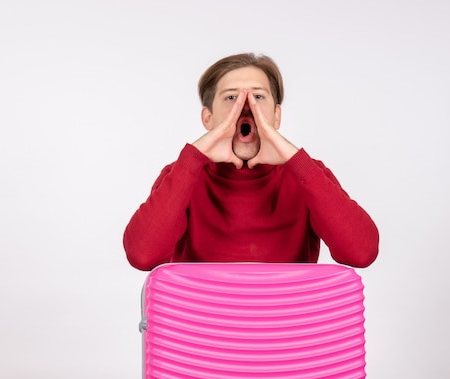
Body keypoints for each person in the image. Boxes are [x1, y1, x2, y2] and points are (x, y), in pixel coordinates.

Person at [123, 53, 379, 271]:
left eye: (258, 97)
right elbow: (143, 256)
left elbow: (361, 253)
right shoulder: (183, 175)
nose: (246, 107)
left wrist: (296, 162)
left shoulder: (307, 174)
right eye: (231, 98)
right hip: (199, 327)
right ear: (208, 119)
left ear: (276, 116)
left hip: (288, 327)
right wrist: (193, 158)